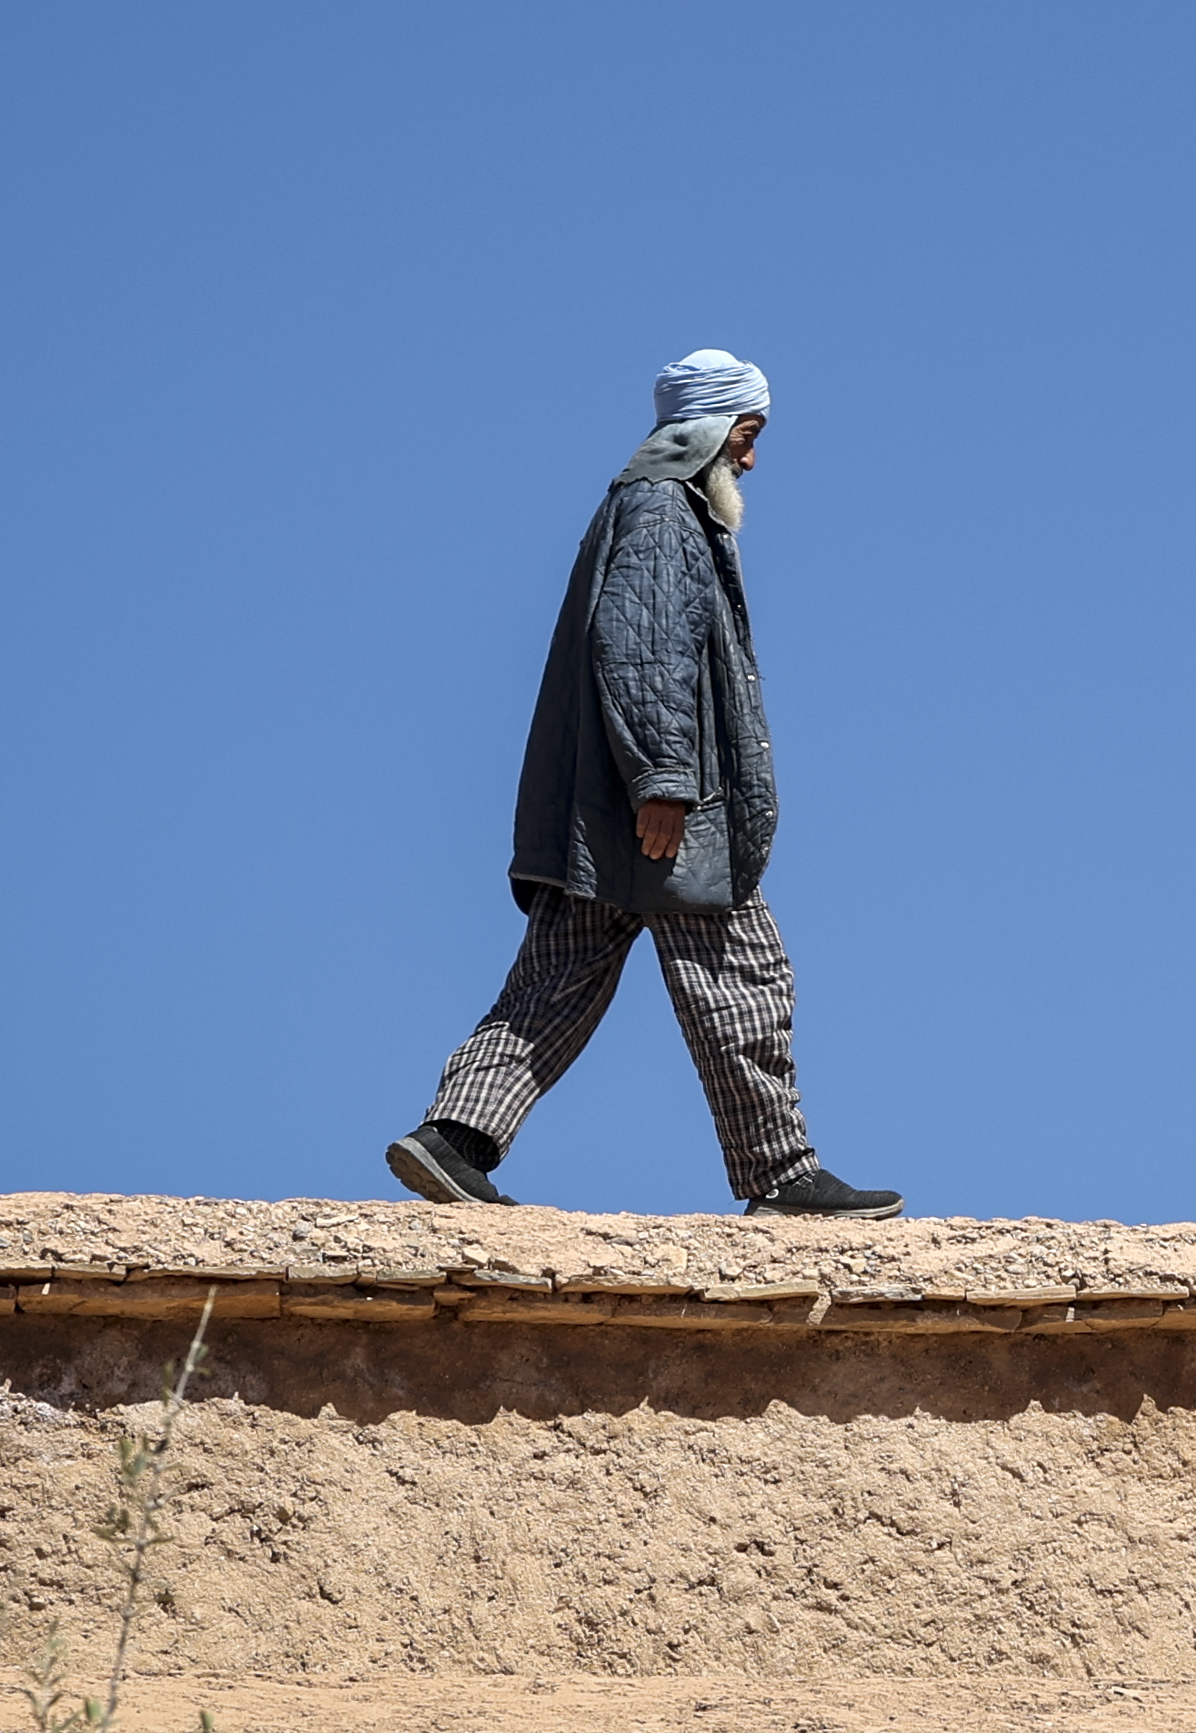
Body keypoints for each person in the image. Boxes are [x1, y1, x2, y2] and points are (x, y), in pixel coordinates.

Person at [384, 350, 899, 1217]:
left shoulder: (643, 505)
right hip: (661, 808)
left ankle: (455, 1140)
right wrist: (664, 779)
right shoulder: (665, 513)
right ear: (707, 432)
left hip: (608, 806)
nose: (751, 457)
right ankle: (780, 1174)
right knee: (744, 972)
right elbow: (644, 647)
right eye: (747, 433)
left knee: (560, 975)